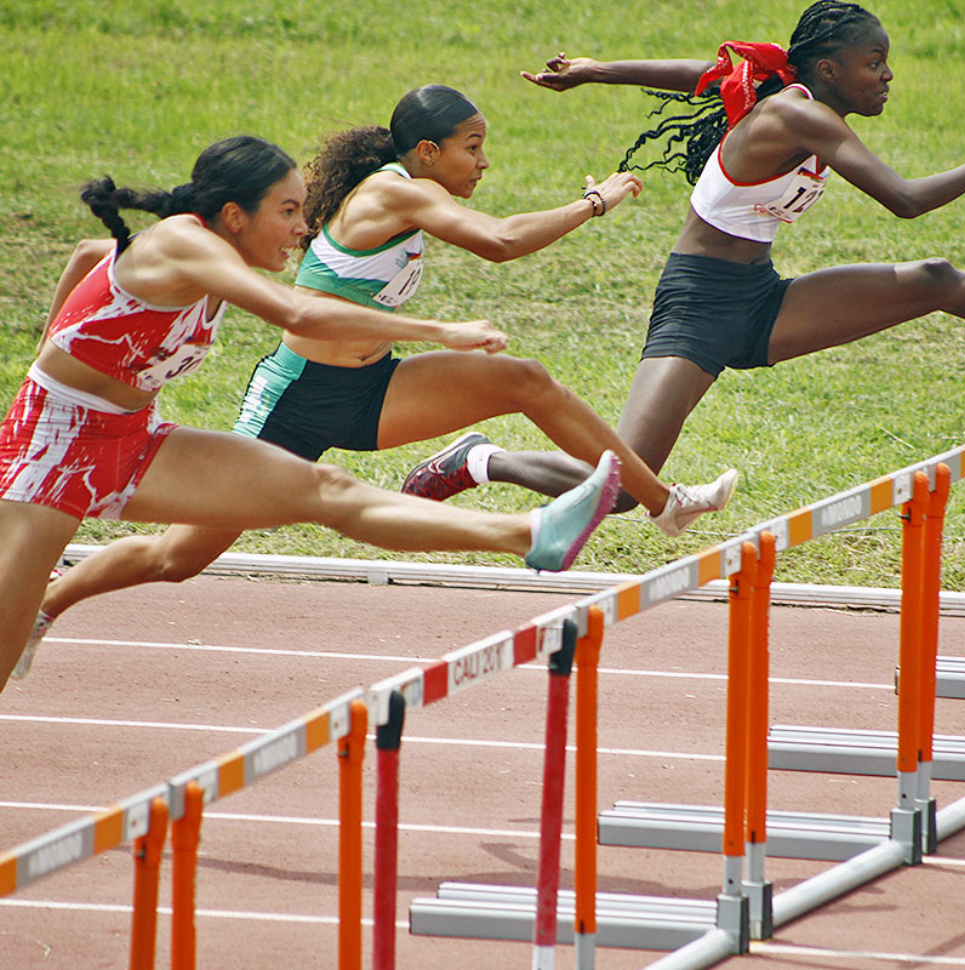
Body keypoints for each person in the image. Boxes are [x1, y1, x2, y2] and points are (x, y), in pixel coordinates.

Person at [14, 87, 738, 679]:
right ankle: (52, 602)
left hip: (263, 411)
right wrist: (448, 328)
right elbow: (310, 304)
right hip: (244, 410)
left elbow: (91, 252)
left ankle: (598, 517)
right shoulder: (214, 240)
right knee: (177, 558)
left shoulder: (216, 248)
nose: (302, 229)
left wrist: (57, 345)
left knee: (497, 396)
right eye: (289, 213)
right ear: (235, 215)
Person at [404, 1, 965, 513]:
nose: (888, 75)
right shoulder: (797, 115)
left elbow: (704, 75)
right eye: (875, 63)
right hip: (698, 306)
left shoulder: (784, 92)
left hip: (762, 300)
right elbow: (905, 200)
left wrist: (598, 70)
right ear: (828, 71)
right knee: (625, 486)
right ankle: (478, 460)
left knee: (936, 280)